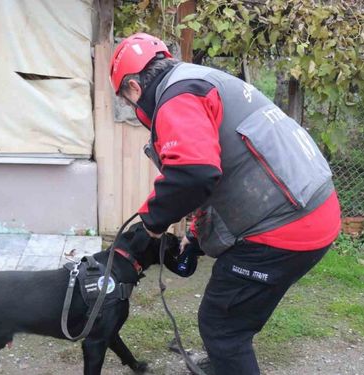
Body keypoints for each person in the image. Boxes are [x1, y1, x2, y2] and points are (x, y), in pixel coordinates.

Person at [110, 33, 342, 375]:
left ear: (132, 88)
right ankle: (225, 361)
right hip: (312, 209)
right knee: (235, 315)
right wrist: (197, 233)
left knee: (223, 326)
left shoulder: (176, 98)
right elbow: (227, 170)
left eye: (128, 101)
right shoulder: (199, 81)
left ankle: (227, 356)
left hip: (287, 228)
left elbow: (194, 174)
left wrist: (152, 222)